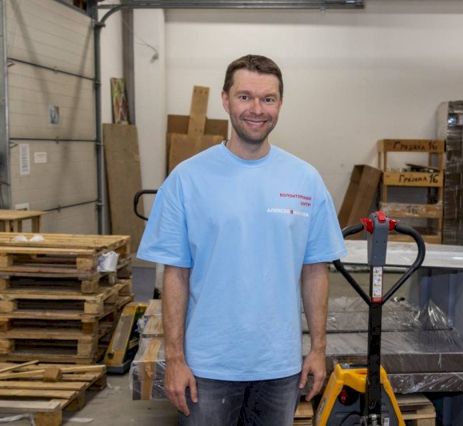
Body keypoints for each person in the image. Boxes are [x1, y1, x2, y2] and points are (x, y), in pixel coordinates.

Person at [137, 54, 347, 425]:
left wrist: (317, 349)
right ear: (225, 99)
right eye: (245, 96)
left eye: (268, 99)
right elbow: (175, 275)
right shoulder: (187, 179)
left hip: (279, 367)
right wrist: (176, 359)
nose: (257, 109)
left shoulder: (305, 180)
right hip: (207, 367)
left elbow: (315, 270)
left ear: (280, 104)